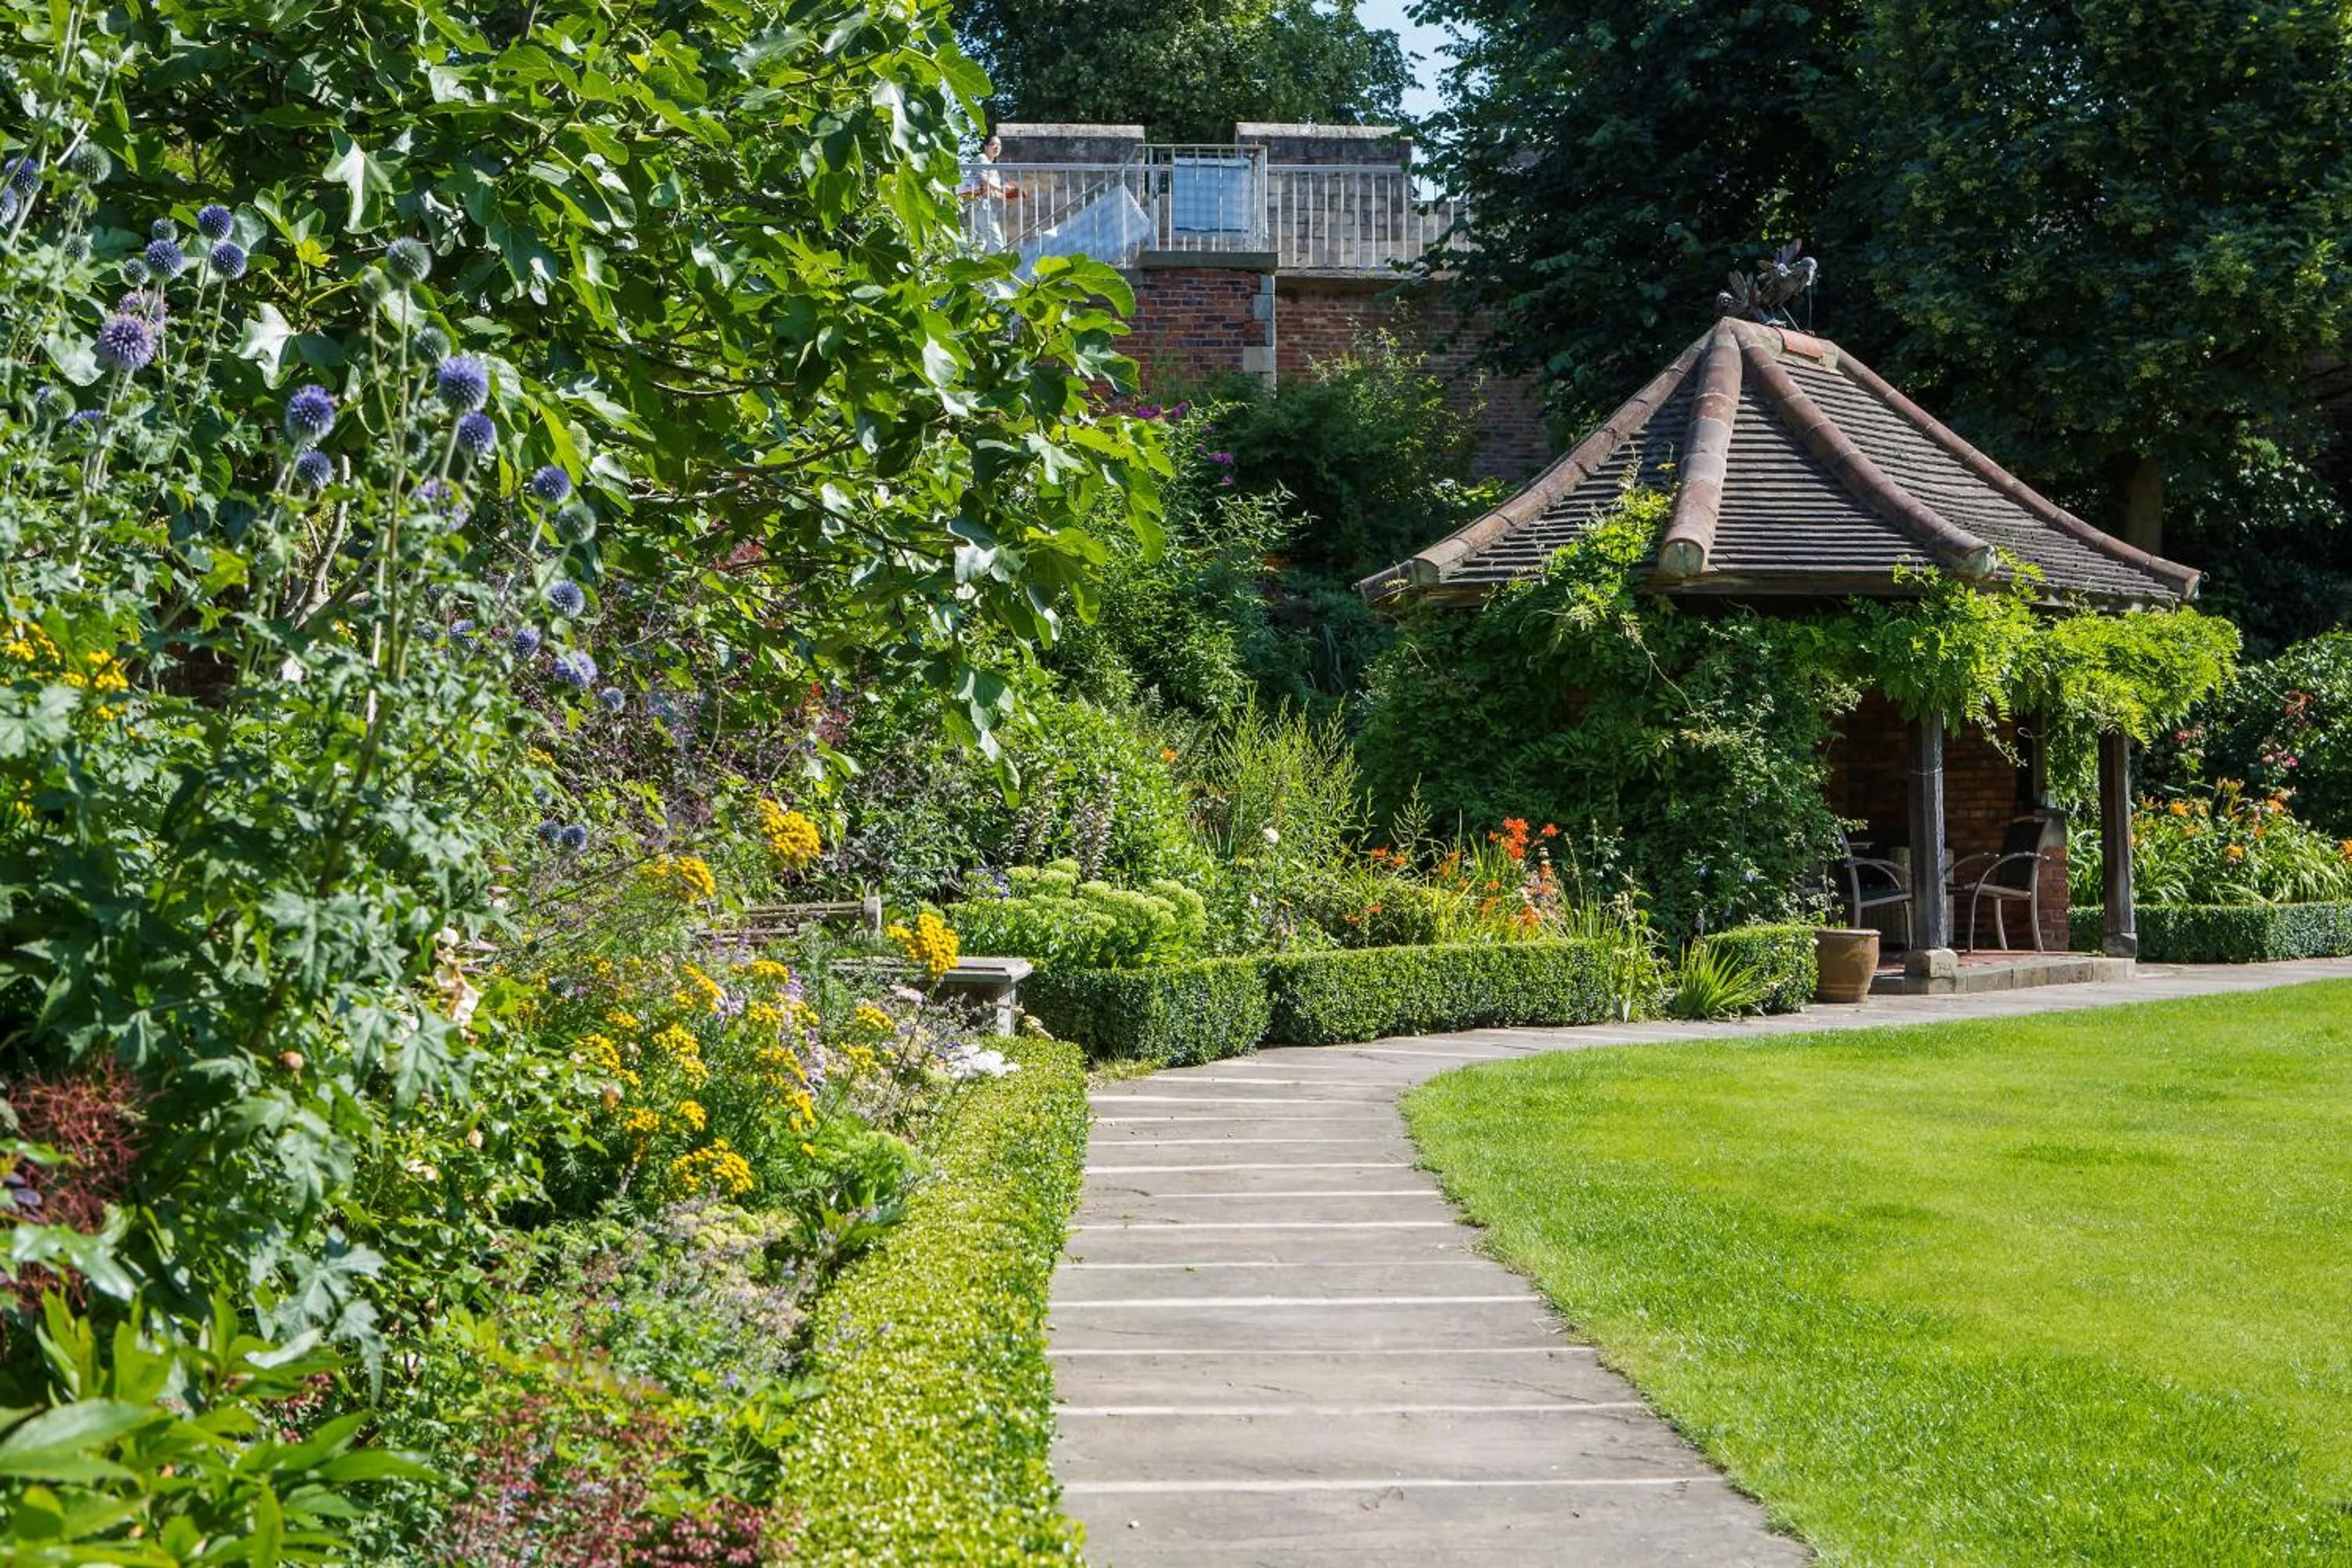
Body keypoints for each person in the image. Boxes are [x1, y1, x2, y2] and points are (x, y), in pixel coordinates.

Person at [960, 132, 1022, 249]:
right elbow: (983, 179)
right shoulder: (982, 158)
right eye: (993, 144)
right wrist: (1000, 188)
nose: (996, 147)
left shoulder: (991, 165)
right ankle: (999, 264)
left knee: (979, 242)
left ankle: (972, 264)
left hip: (982, 206)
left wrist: (1008, 191)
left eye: (999, 145)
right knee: (996, 242)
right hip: (980, 206)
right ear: (985, 147)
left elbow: (993, 189)